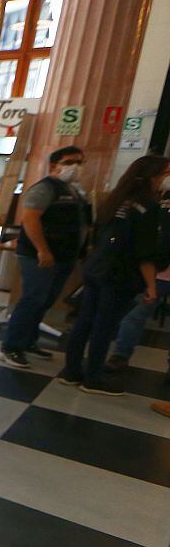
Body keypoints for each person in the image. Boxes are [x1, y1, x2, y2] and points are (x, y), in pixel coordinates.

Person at [58, 156, 170, 395]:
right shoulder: (148, 208)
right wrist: (151, 286)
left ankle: (71, 371)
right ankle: (93, 378)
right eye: (165, 173)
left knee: (85, 321)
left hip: (97, 268)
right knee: (104, 326)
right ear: (153, 176)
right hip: (120, 274)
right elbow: (145, 252)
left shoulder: (117, 199)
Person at [0, 145, 90, 369]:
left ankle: (28, 341)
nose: (75, 167)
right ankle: (10, 347)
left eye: (79, 162)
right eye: (69, 162)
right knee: (33, 299)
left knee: (45, 301)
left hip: (63, 256)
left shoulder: (74, 190)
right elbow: (30, 219)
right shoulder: (45, 188)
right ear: (54, 165)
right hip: (40, 255)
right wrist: (43, 249)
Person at [107, 184, 170, 371]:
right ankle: (120, 355)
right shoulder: (160, 201)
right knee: (135, 314)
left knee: (135, 315)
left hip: (158, 269)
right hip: (159, 271)